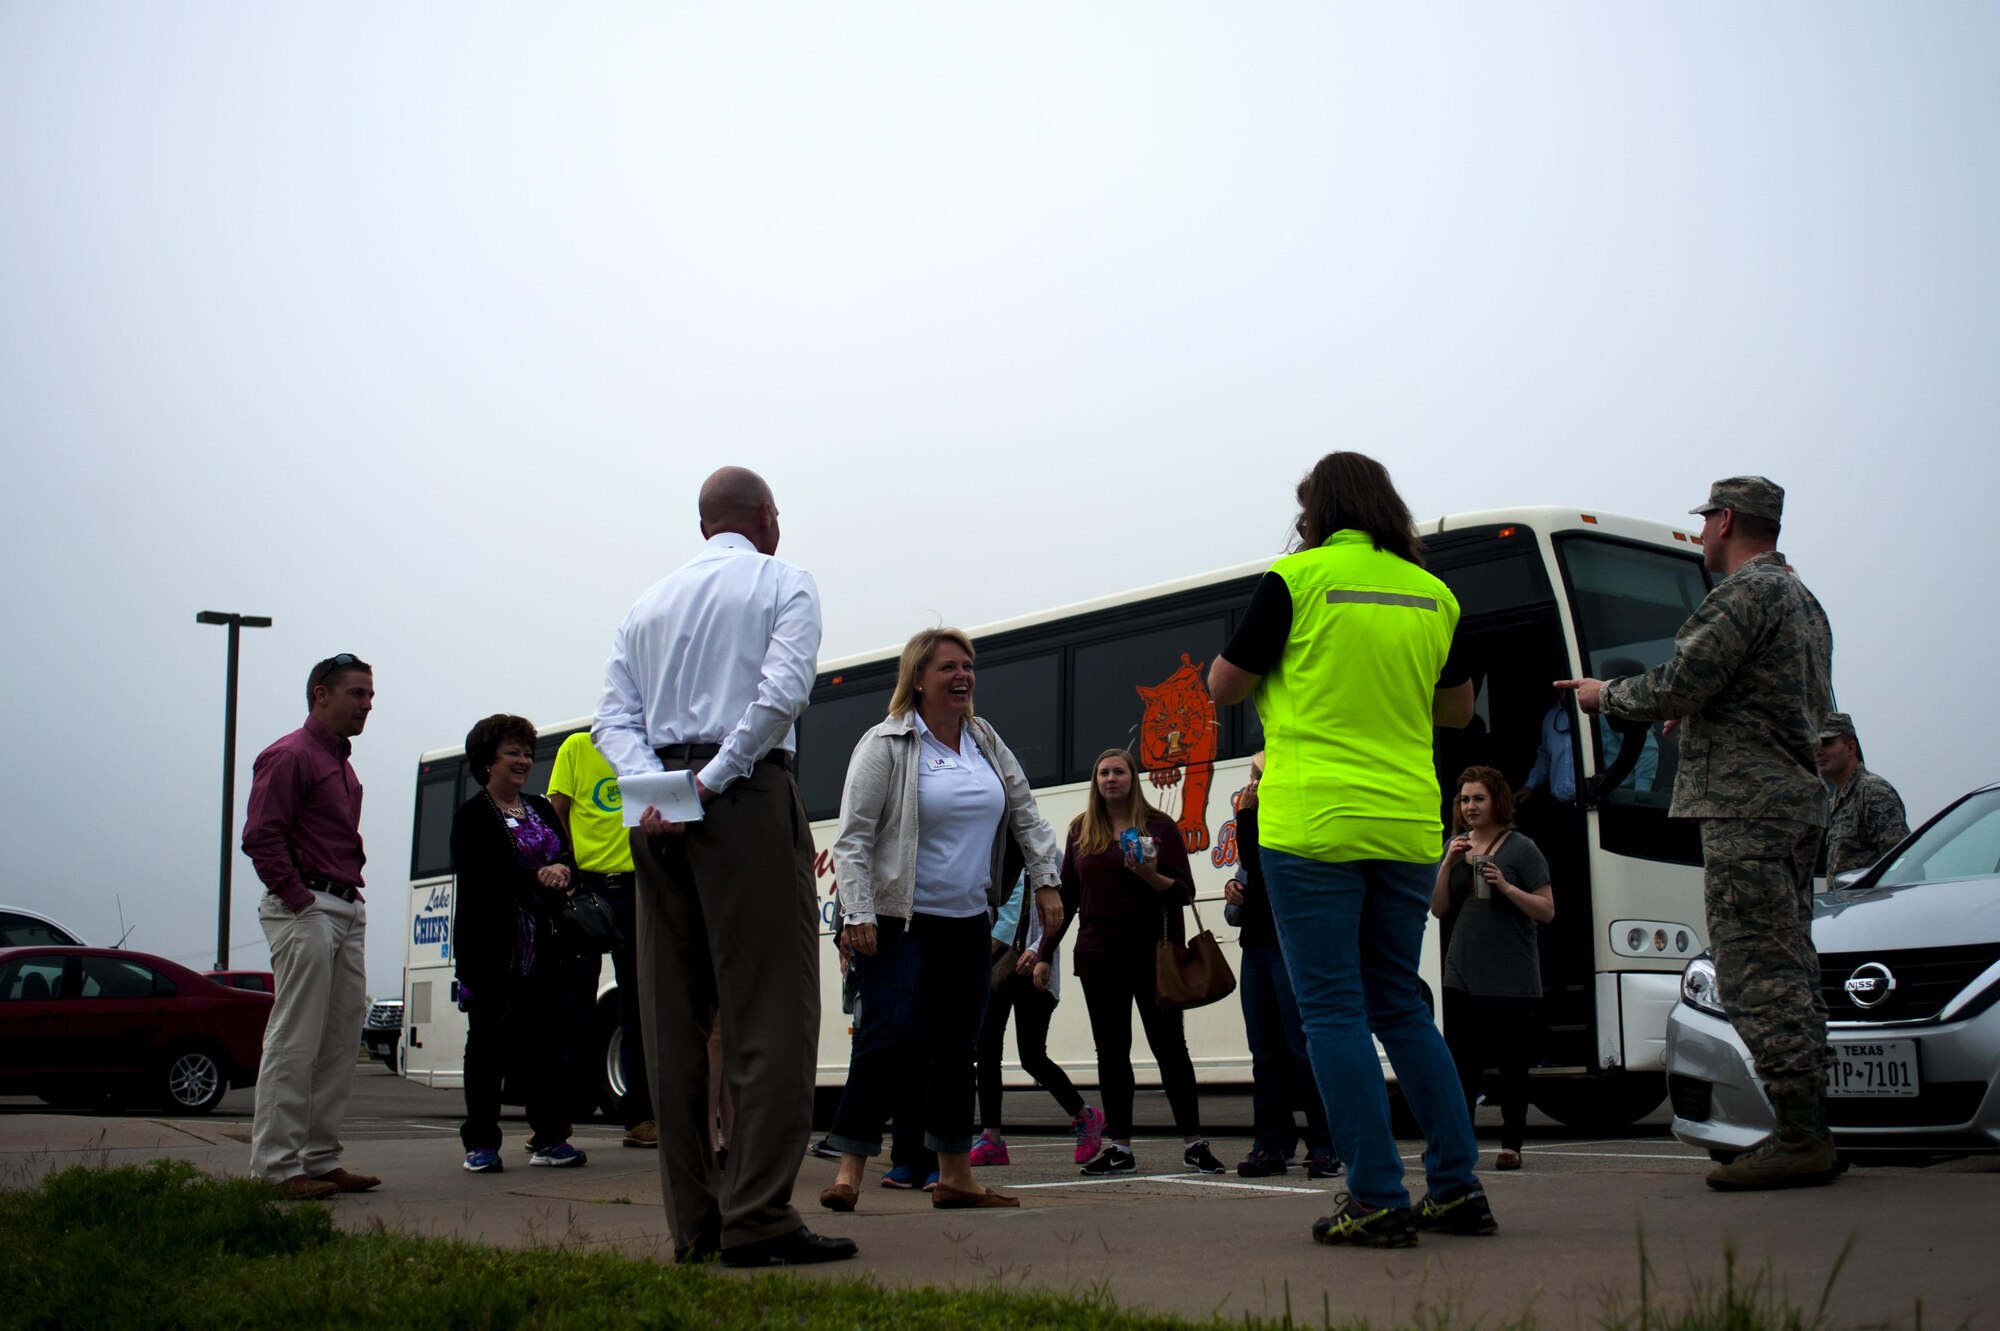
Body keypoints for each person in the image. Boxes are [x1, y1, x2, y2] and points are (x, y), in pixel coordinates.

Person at [1207, 451, 1486, 1248]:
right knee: (1399, 1001)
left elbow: (1222, 685)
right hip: (1403, 825)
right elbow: (1458, 711)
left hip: (1314, 822)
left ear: (1318, 509)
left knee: (1331, 1009)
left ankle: (1373, 1194)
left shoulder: (1297, 581)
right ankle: (1458, 1186)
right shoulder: (1435, 594)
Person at [593, 466, 852, 1267]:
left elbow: (612, 717)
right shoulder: (784, 581)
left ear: (706, 523)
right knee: (770, 1013)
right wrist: (712, 780)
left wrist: (656, 793)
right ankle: (758, 1216)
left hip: (657, 811)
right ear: (766, 518)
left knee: (671, 1023)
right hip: (741, 798)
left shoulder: (646, 605)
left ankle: (694, 1226)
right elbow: (779, 697)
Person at [1559, 475, 1836, 1191]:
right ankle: (1812, 1125)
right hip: (1792, 803)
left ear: (1728, 520)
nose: (1705, 530)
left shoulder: (1744, 595)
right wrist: (1701, 713)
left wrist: (1603, 696)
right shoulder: (1803, 600)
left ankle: (1800, 1136)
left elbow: (1682, 677)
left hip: (1746, 807)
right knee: (1793, 967)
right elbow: (1774, 698)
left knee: (1756, 972)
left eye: (1709, 517)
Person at [820, 628, 1065, 1212]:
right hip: (901, 920)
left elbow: (1026, 813)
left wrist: (1048, 882)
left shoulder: (984, 740)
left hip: (967, 922)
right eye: (949, 667)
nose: (963, 676)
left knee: (960, 1048)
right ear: (918, 678)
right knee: (884, 1040)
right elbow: (852, 839)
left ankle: (955, 1177)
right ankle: (849, 1172)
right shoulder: (885, 743)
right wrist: (856, 914)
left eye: (969, 666)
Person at [241, 653, 382, 1201]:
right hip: (308, 905)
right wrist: (300, 901)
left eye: (370, 695)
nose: (367, 704)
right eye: (357, 693)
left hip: (343, 906)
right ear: (320, 694)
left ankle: (320, 1159)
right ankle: (276, 1169)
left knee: (339, 1040)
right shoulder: (290, 754)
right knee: (295, 1038)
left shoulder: (341, 765)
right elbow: (261, 836)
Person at [1058, 748, 1225, 1177]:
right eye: (1103, 773)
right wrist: (1042, 954)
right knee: (1112, 1054)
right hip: (1098, 956)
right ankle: (1120, 1148)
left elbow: (1184, 892)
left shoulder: (1159, 827)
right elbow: (1068, 900)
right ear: (1096, 782)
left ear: (1133, 778)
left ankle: (1194, 1143)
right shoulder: (1081, 830)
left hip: (1154, 954)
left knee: (1170, 1048)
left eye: (1119, 772)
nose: (1110, 779)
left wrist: (1150, 875)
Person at [451, 714, 592, 1172]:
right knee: (488, 1047)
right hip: (494, 950)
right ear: (487, 760)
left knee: (548, 1047)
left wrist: (564, 869)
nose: (523, 761)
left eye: (527, 753)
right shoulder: (472, 816)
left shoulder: (540, 807)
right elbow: (485, 875)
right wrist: (538, 874)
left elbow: (567, 853)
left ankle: (550, 1138)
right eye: (513, 752)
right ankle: (481, 1144)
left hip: (549, 948)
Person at [1430, 767, 1553, 1172]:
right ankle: (1461, 1144)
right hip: (1461, 968)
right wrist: (1448, 864)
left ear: (1496, 801)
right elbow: (1438, 909)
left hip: (1510, 973)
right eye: (1464, 800)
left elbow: (1546, 910)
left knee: (1512, 1066)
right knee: (1461, 1065)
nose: (1470, 807)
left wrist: (1504, 885)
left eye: (1478, 799)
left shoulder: (1521, 849)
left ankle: (1512, 1144)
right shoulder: (1456, 843)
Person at [1227, 751, 1340, 1179]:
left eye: (1260, 778)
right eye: (1252, 777)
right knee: (1265, 1052)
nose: (1253, 786)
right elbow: (1248, 872)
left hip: (1288, 944)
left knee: (1300, 1047)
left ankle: (1325, 1145)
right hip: (1255, 944)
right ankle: (1272, 1144)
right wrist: (1233, 888)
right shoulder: (1257, 824)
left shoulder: (1290, 819)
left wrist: (1246, 817)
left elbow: (1261, 863)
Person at [546, 730, 655, 1150]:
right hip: (587, 890)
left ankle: (640, 1117)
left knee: (639, 1007)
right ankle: (555, 1120)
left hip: (638, 887)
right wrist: (567, 870)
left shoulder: (648, 747)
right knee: (573, 1006)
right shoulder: (577, 747)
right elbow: (556, 814)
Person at [969, 873, 1105, 1169]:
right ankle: (992, 1138)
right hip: (995, 964)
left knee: (1031, 1056)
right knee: (988, 1052)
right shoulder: (995, 855)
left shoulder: (1048, 855)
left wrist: (1037, 948)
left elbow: (1061, 911)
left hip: (1033, 966)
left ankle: (1085, 1116)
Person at [1817, 712, 1909, 883]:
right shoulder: (1837, 799)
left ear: (1851, 748)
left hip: (1875, 904)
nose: (1819, 751)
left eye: (1827, 744)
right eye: (1815, 745)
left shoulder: (1873, 792)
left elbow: (1902, 863)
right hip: (1849, 905)